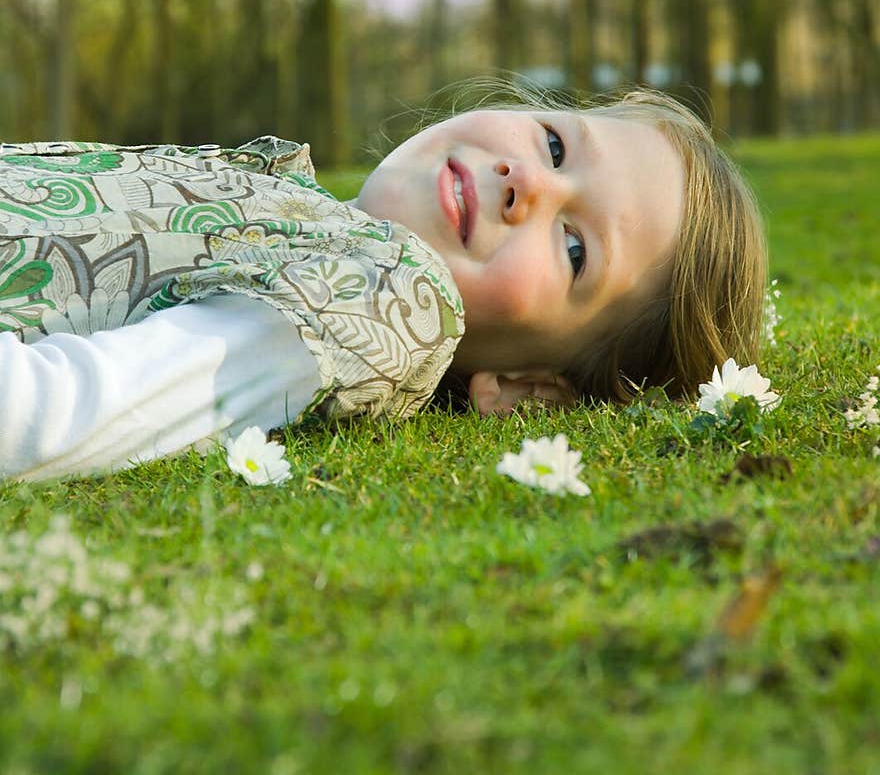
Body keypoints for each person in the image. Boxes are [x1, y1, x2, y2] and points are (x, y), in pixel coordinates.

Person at [0, 81, 768, 482]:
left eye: (574, 249)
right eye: (556, 145)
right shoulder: (296, 211)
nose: (524, 181)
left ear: (530, 387)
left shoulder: (381, 303)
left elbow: (57, 413)